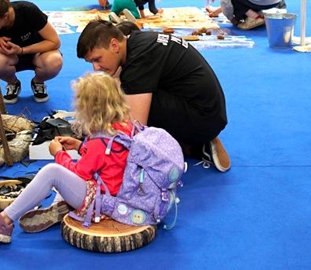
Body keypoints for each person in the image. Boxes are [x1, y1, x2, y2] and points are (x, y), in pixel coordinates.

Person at [0, 72, 135, 243]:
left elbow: (80, 173)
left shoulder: (100, 141)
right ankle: (61, 206)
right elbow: (109, 161)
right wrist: (81, 146)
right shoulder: (123, 127)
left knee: (52, 172)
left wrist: (58, 154)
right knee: (58, 178)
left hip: (104, 201)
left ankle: (3, 221)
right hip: (117, 192)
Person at [77, 20, 230, 172]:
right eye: (91, 62)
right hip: (206, 111)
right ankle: (189, 144)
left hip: (204, 118)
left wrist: (96, 142)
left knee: (120, 97)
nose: (96, 68)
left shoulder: (139, 59)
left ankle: (193, 143)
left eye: (97, 59)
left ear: (114, 45)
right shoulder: (138, 42)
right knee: (128, 90)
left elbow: (136, 129)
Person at [0, 0, 63, 104]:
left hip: (37, 54)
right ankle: (13, 83)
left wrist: (22, 50)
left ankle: (38, 82)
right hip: (10, 58)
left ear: (5, 16)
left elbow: (55, 41)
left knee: (54, 61)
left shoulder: (28, 11)